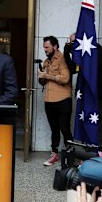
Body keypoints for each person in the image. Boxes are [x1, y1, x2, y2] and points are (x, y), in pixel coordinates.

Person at [38, 36, 72, 167]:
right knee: (54, 129)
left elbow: (65, 78)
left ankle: (70, 156)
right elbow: (43, 82)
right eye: (44, 47)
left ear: (55, 47)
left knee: (65, 129)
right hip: (49, 101)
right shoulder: (47, 61)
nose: (45, 49)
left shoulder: (63, 59)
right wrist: (41, 76)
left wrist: (48, 76)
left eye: (47, 47)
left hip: (62, 100)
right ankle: (54, 154)